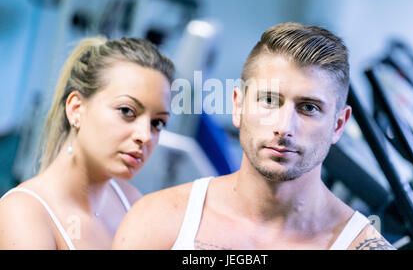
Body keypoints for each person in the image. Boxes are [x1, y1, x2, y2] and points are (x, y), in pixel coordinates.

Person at [113, 22, 395, 250]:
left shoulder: (363, 246)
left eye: (309, 108)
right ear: (238, 105)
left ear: (338, 124)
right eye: (270, 100)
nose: (284, 127)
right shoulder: (159, 220)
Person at [0, 37, 174, 249]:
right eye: (127, 111)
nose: (145, 135)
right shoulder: (23, 212)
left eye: (157, 123)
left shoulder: (133, 204)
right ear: (76, 109)